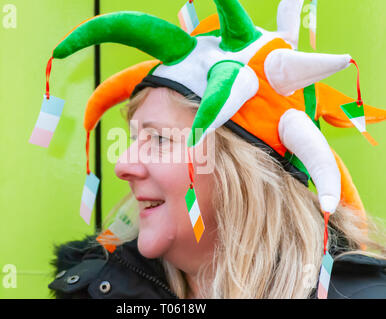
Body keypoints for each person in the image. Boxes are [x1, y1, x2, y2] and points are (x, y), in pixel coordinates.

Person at [45, 0, 386, 299]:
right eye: (135, 139)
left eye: (160, 140)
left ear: (242, 170)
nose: (124, 165)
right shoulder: (97, 287)